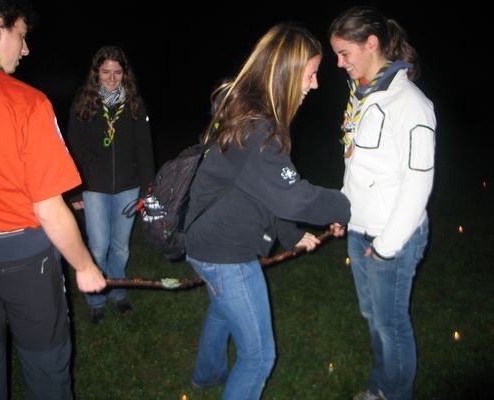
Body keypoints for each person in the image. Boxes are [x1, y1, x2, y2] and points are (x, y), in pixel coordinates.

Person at [184, 22, 351, 400]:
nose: (315, 85)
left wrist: (291, 234)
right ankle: (212, 375)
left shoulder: (246, 111)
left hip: (205, 240)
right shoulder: (260, 128)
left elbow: (263, 190)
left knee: (223, 309)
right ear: (286, 73)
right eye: (310, 74)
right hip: (225, 252)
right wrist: (348, 205)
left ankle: (207, 374)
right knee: (259, 357)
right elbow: (295, 198)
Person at [0, 0, 107, 399]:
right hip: (24, 263)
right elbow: (48, 208)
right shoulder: (25, 101)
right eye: (22, 36)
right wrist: (84, 266)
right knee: (47, 371)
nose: (25, 49)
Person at [328, 6, 436, 400]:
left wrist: (386, 248)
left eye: (344, 53)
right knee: (373, 317)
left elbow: (418, 183)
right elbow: (357, 165)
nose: (339, 64)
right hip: (361, 231)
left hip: (394, 237)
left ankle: (394, 392)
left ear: (371, 44)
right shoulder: (364, 96)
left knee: (391, 324)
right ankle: (381, 387)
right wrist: (344, 212)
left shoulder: (409, 103)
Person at [67, 45, 155, 324]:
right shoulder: (84, 101)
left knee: (121, 248)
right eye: (106, 72)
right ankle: (96, 298)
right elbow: (74, 148)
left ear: (124, 73)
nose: (112, 78)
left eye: (117, 72)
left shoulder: (134, 103)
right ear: (96, 73)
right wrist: (74, 190)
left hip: (129, 187)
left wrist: (147, 188)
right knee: (98, 247)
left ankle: (118, 291)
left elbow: (145, 148)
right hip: (93, 188)